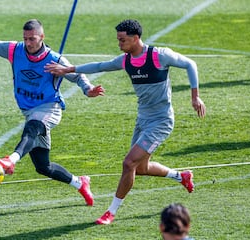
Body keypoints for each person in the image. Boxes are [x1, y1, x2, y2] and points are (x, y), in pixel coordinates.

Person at [45, 19, 206, 224]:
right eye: (118, 40)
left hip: (161, 121)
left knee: (128, 163)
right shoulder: (125, 60)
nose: (119, 44)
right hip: (143, 120)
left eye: (122, 40)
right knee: (140, 168)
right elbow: (100, 65)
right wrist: (67, 70)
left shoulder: (158, 55)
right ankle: (180, 176)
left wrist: (195, 96)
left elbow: (190, 64)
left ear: (135, 38)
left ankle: (111, 212)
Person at [0, 19, 105, 206]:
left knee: (32, 128)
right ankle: (80, 182)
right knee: (44, 167)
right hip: (29, 110)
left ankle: (9, 161)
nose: (28, 43)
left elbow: (77, 76)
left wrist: (88, 89)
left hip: (49, 108)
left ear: (42, 37)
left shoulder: (55, 59)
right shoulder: (15, 50)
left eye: (32, 39)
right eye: (25, 39)